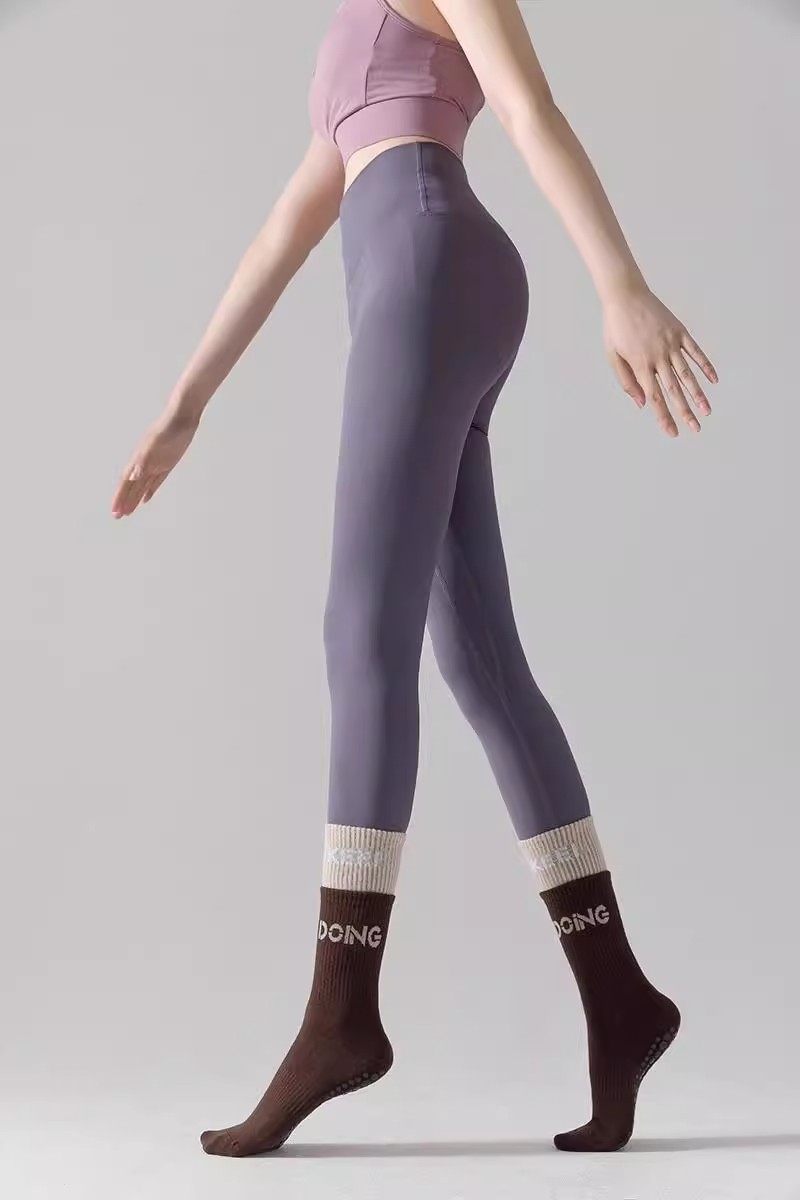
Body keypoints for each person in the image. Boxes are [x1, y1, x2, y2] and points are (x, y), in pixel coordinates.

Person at [112, 0, 717, 1158]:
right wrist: (187, 401)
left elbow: (528, 108)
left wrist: (619, 284)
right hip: (415, 275)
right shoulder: (355, 29)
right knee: (481, 668)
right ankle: (618, 996)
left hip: (426, 266)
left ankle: (341, 1009)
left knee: (361, 633)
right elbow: (295, 216)